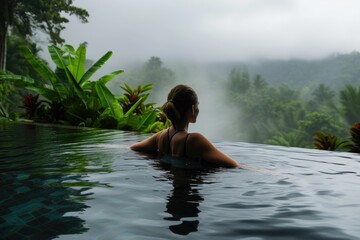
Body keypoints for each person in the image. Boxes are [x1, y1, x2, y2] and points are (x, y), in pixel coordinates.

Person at [130, 84, 240, 168]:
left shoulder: (161, 136)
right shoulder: (194, 140)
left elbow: (133, 147)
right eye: (197, 105)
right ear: (193, 109)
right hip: (187, 195)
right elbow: (234, 165)